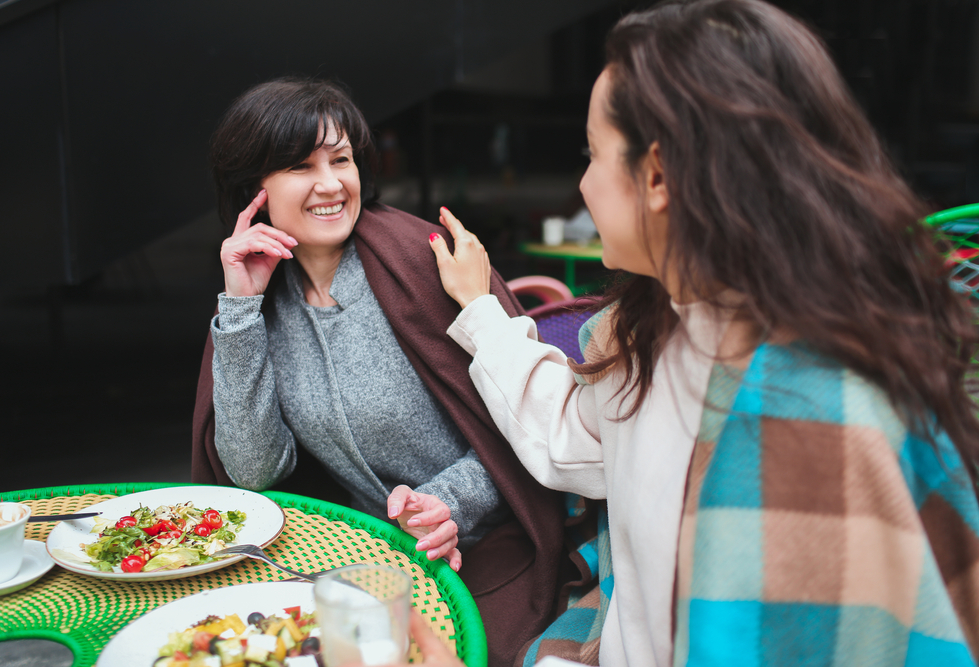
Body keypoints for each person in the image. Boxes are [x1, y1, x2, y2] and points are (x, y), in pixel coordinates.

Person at [421, 1, 979, 665]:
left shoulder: (816, 421)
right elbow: (572, 426)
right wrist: (481, 310)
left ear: (656, 176)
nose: (582, 183)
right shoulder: (661, 325)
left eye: (592, 153)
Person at [189, 77, 572, 667]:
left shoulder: (428, 261)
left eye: (341, 159)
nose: (330, 183)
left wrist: (450, 502)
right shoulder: (261, 302)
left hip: (495, 552)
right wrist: (239, 310)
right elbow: (254, 473)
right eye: (299, 166)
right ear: (253, 191)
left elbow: (535, 420)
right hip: (362, 568)